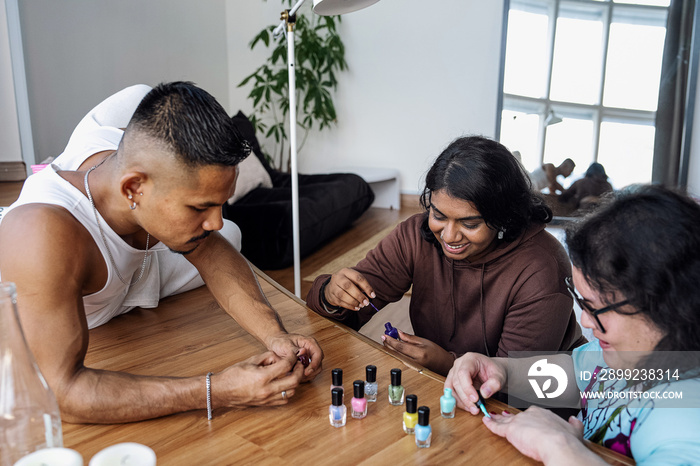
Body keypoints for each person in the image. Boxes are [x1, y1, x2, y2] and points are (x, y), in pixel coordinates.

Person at [0, 82, 323, 423]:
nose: (213, 221)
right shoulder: (43, 235)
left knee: (229, 233)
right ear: (133, 188)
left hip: (137, 260)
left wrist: (277, 335)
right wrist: (218, 389)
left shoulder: (151, 186)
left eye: (219, 204)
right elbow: (62, 393)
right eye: (201, 207)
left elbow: (213, 253)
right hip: (62, 273)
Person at [445, 185, 700, 464]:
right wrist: (502, 370)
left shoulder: (684, 415)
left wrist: (560, 447)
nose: (586, 320)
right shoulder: (631, 353)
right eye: (582, 302)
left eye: (596, 307)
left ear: (667, 306)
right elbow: (578, 377)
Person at [306, 136, 585, 376]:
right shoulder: (416, 235)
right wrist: (332, 296)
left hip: (544, 406)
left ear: (504, 218)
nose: (449, 236)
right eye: (438, 215)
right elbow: (343, 314)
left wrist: (448, 364)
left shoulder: (541, 269)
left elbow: (522, 387)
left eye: (470, 224)